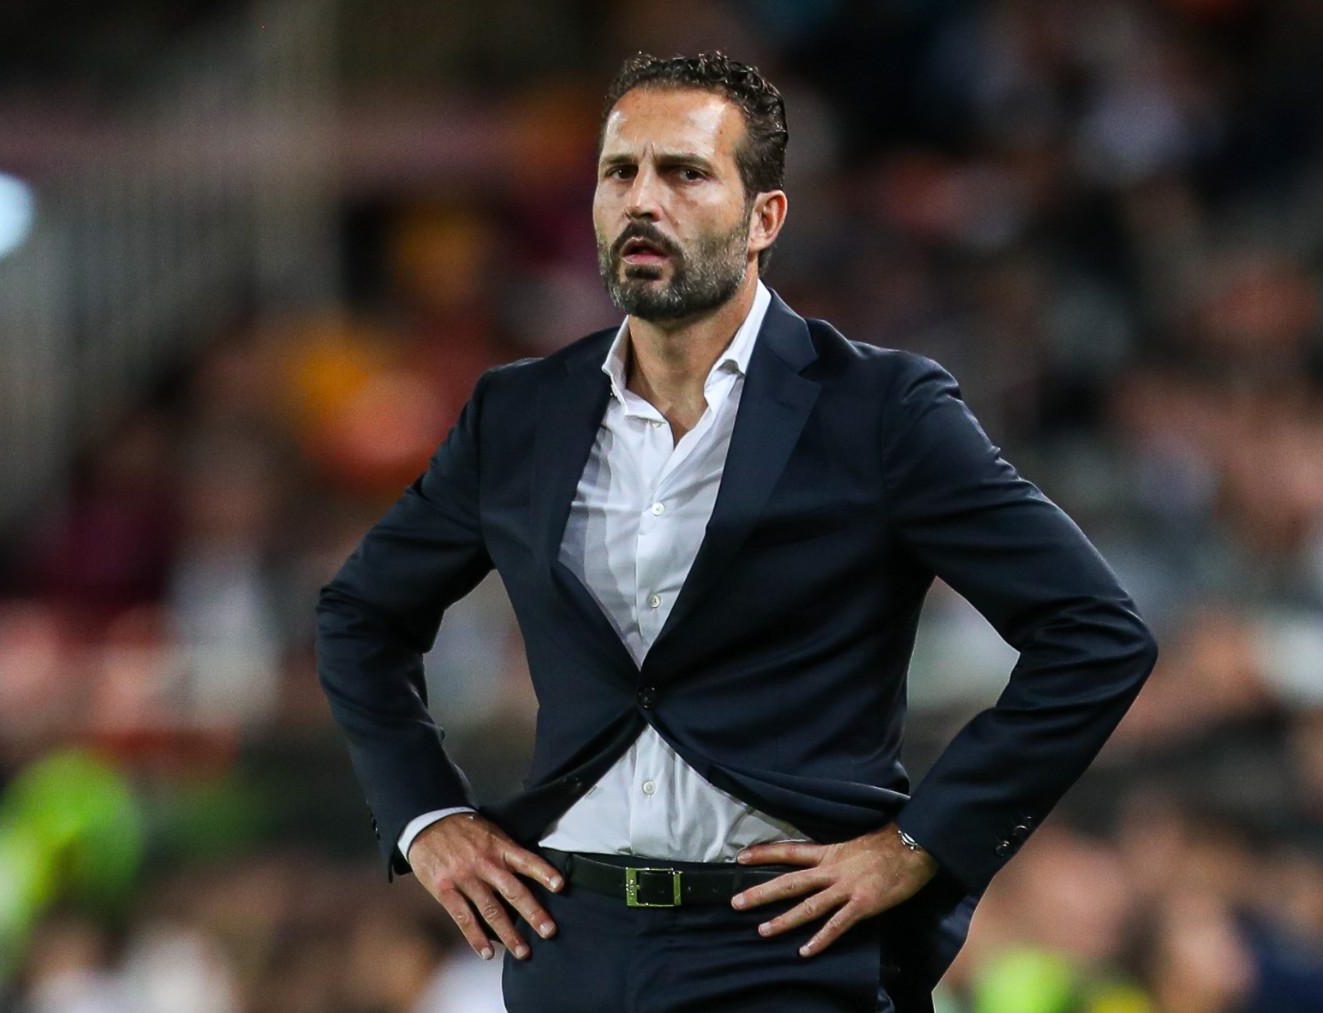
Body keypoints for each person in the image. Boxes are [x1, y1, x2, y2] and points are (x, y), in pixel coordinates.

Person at [316, 51, 1158, 1013]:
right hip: (566, 940)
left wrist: (922, 844)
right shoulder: (517, 414)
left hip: (785, 948)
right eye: (618, 172)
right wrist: (426, 816)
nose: (642, 200)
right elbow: (358, 615)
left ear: (765, 218)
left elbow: (1096, 632)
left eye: (684, 172)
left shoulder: (882, 408)